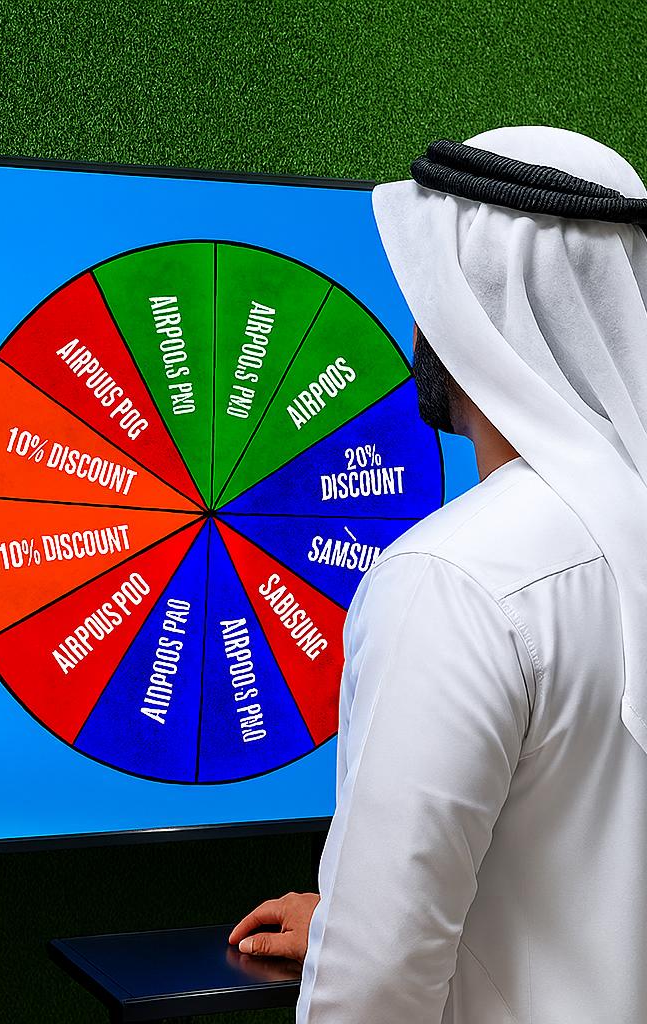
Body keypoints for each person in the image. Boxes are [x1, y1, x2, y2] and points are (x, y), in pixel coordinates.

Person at [228, 126, 647, 1023]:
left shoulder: (456, 575)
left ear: (466, 307)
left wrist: (356, 937)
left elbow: (375, 987)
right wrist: (345, 922)